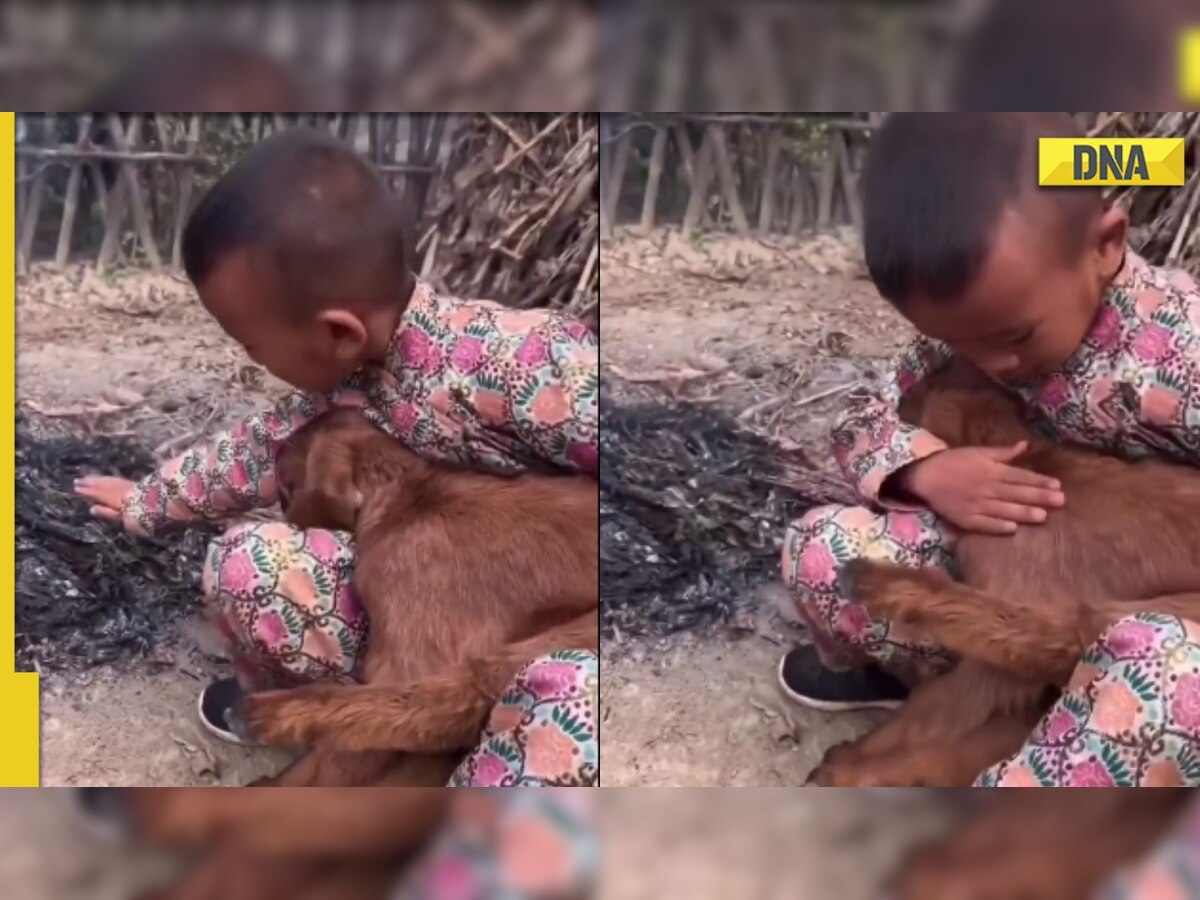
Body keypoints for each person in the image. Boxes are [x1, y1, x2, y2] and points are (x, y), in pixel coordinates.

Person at [75, 127, 598, 786]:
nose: (253, 361)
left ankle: (457, 770)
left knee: (571, 704)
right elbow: (250, 453)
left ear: (336, 333)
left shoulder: (527, 362)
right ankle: (382, 728)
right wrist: (149, 501)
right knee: (249, 564)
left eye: (251, 345)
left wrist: (530, 653)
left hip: (552, 622)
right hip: (427, 621)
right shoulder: (339, 394)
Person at [779, 112, 1200, 786]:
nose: (992, 363)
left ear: (1107, 245)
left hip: (1150, 612)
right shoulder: (969, 325)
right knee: (826, 554)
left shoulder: (1180, 354)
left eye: (1016, 337)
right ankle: (984, 693)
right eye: (958, 343)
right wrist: (925, 469)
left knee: (1166, 674)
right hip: (1017, 584)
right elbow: (859, 421)